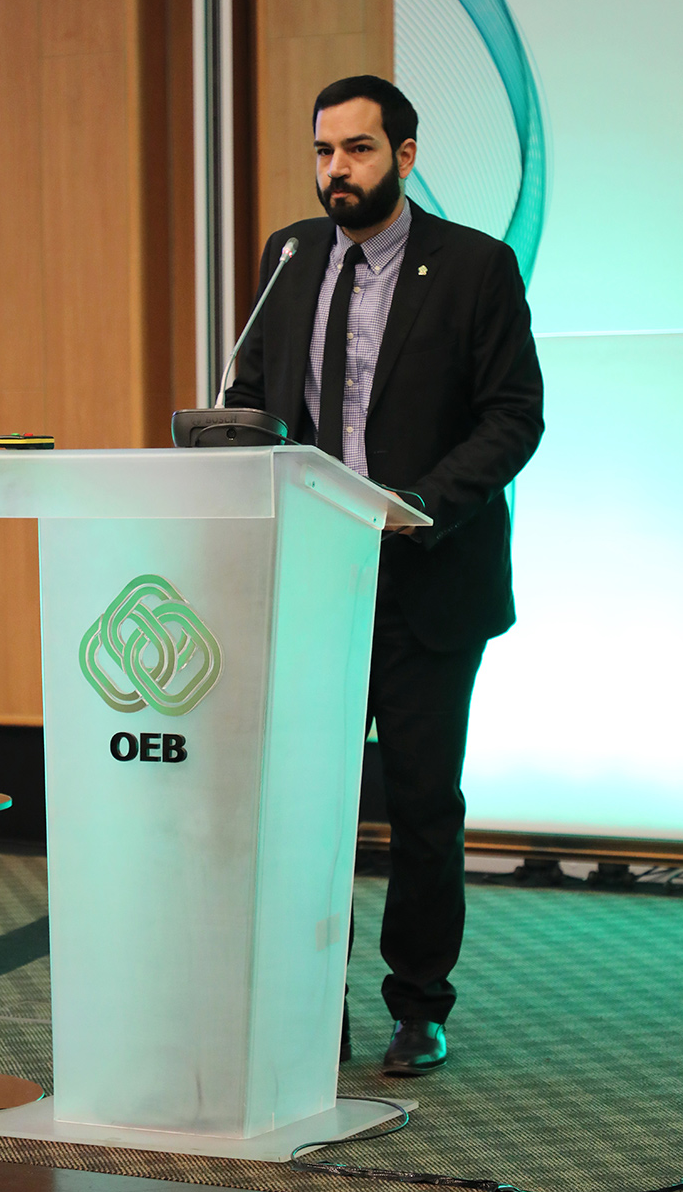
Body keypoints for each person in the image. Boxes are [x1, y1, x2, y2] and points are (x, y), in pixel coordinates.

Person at [225, 75, 544, 1074]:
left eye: (358, 150)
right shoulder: (290, 257)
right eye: (324, 151)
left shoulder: (474, 268)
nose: (337, 170)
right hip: (315, 580)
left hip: (426, 576)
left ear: (404, 156)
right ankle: (314, 1004)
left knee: (420, 803)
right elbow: (252, 395)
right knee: (307, 803)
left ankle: (418, 1007)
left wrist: (423, 504)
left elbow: (513, 415)